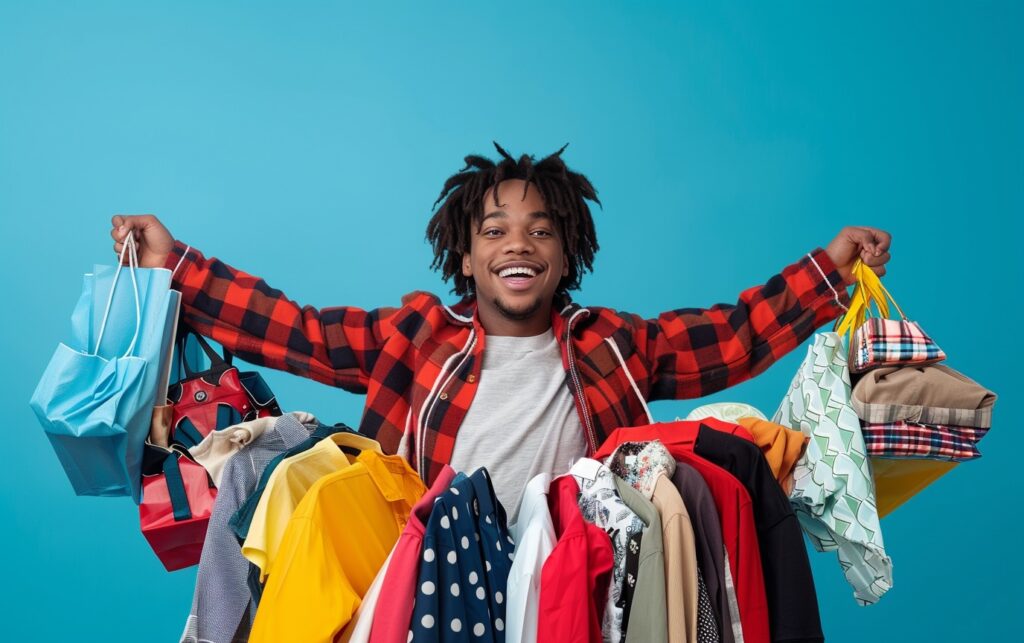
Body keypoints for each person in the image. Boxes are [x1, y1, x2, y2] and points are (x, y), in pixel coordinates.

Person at [109, 143, 890, 514]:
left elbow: (733, 334)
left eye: (542, 230)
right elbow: (299, 330)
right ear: (465, 254)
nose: (518, 244)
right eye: (494, 231)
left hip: (572, 575)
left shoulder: (610, 343)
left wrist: (830, 267)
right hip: (434, 571)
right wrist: (177, 263)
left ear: (568, 251)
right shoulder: (413, 334)